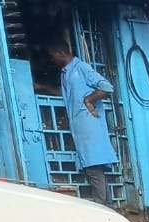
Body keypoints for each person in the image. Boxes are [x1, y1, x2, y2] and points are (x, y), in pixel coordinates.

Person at [47, 42, 117, 205]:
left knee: (94, 169)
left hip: (89, 128)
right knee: (94, 171)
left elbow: (106, 87)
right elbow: (67, 94)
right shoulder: (65, 74)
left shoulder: (81, 68)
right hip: (81, 130)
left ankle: (103, 210)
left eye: (53, 57)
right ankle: (109, 208)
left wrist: (89, 100)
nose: (52, 61)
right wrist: (43, 87)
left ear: (61, 52)